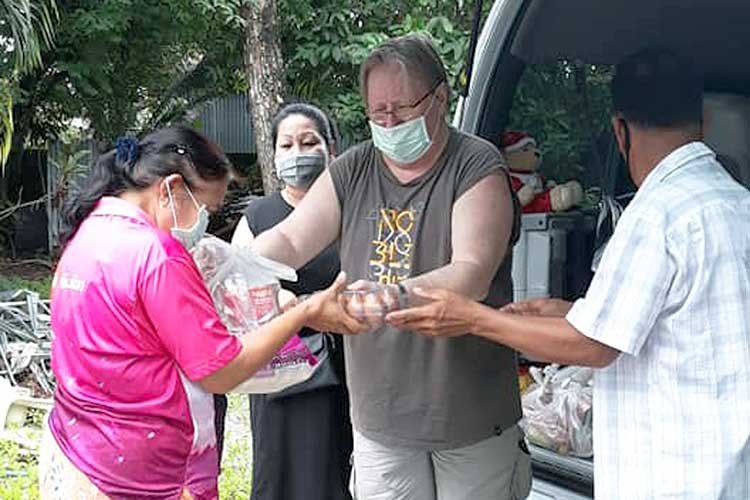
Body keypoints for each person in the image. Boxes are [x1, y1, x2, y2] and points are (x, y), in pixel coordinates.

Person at [387, 48, 750, 499]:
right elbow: (670, 323)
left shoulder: (657, 213)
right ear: (703, 123)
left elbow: (592, 346)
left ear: (620, 128)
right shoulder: (735, 203)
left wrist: (475, 318)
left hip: (672, 476)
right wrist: (573, 310)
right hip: (730, 471)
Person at [251, 35, 532, 500]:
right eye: (376, 112)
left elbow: (472, 272)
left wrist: (387, 297)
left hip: (470, 419)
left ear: (439, 99)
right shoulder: (354, 168)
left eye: (400, 110)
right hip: (380, 420)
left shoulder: (476, 164)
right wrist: (238, 262)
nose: (387, 122)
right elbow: (291, 239)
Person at [41, 126, 360, 500]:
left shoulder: (89, 230)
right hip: (135, 472)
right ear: (171, 189)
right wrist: (304, 311)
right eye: (207, 209)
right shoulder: (157, 254)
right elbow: (218, 371)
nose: (203, 223)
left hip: (80, 448)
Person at [230, 102, 352, 500]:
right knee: (278, 472)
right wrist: (277, 299)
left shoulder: (348, 212)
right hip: (279, 368)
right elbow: (234, 288)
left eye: (308, 141)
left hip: (345, 368)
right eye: (287, 145)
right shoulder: (259, 215)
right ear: (275, 153)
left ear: (330, 149)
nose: (297, 153)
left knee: (335, 468)